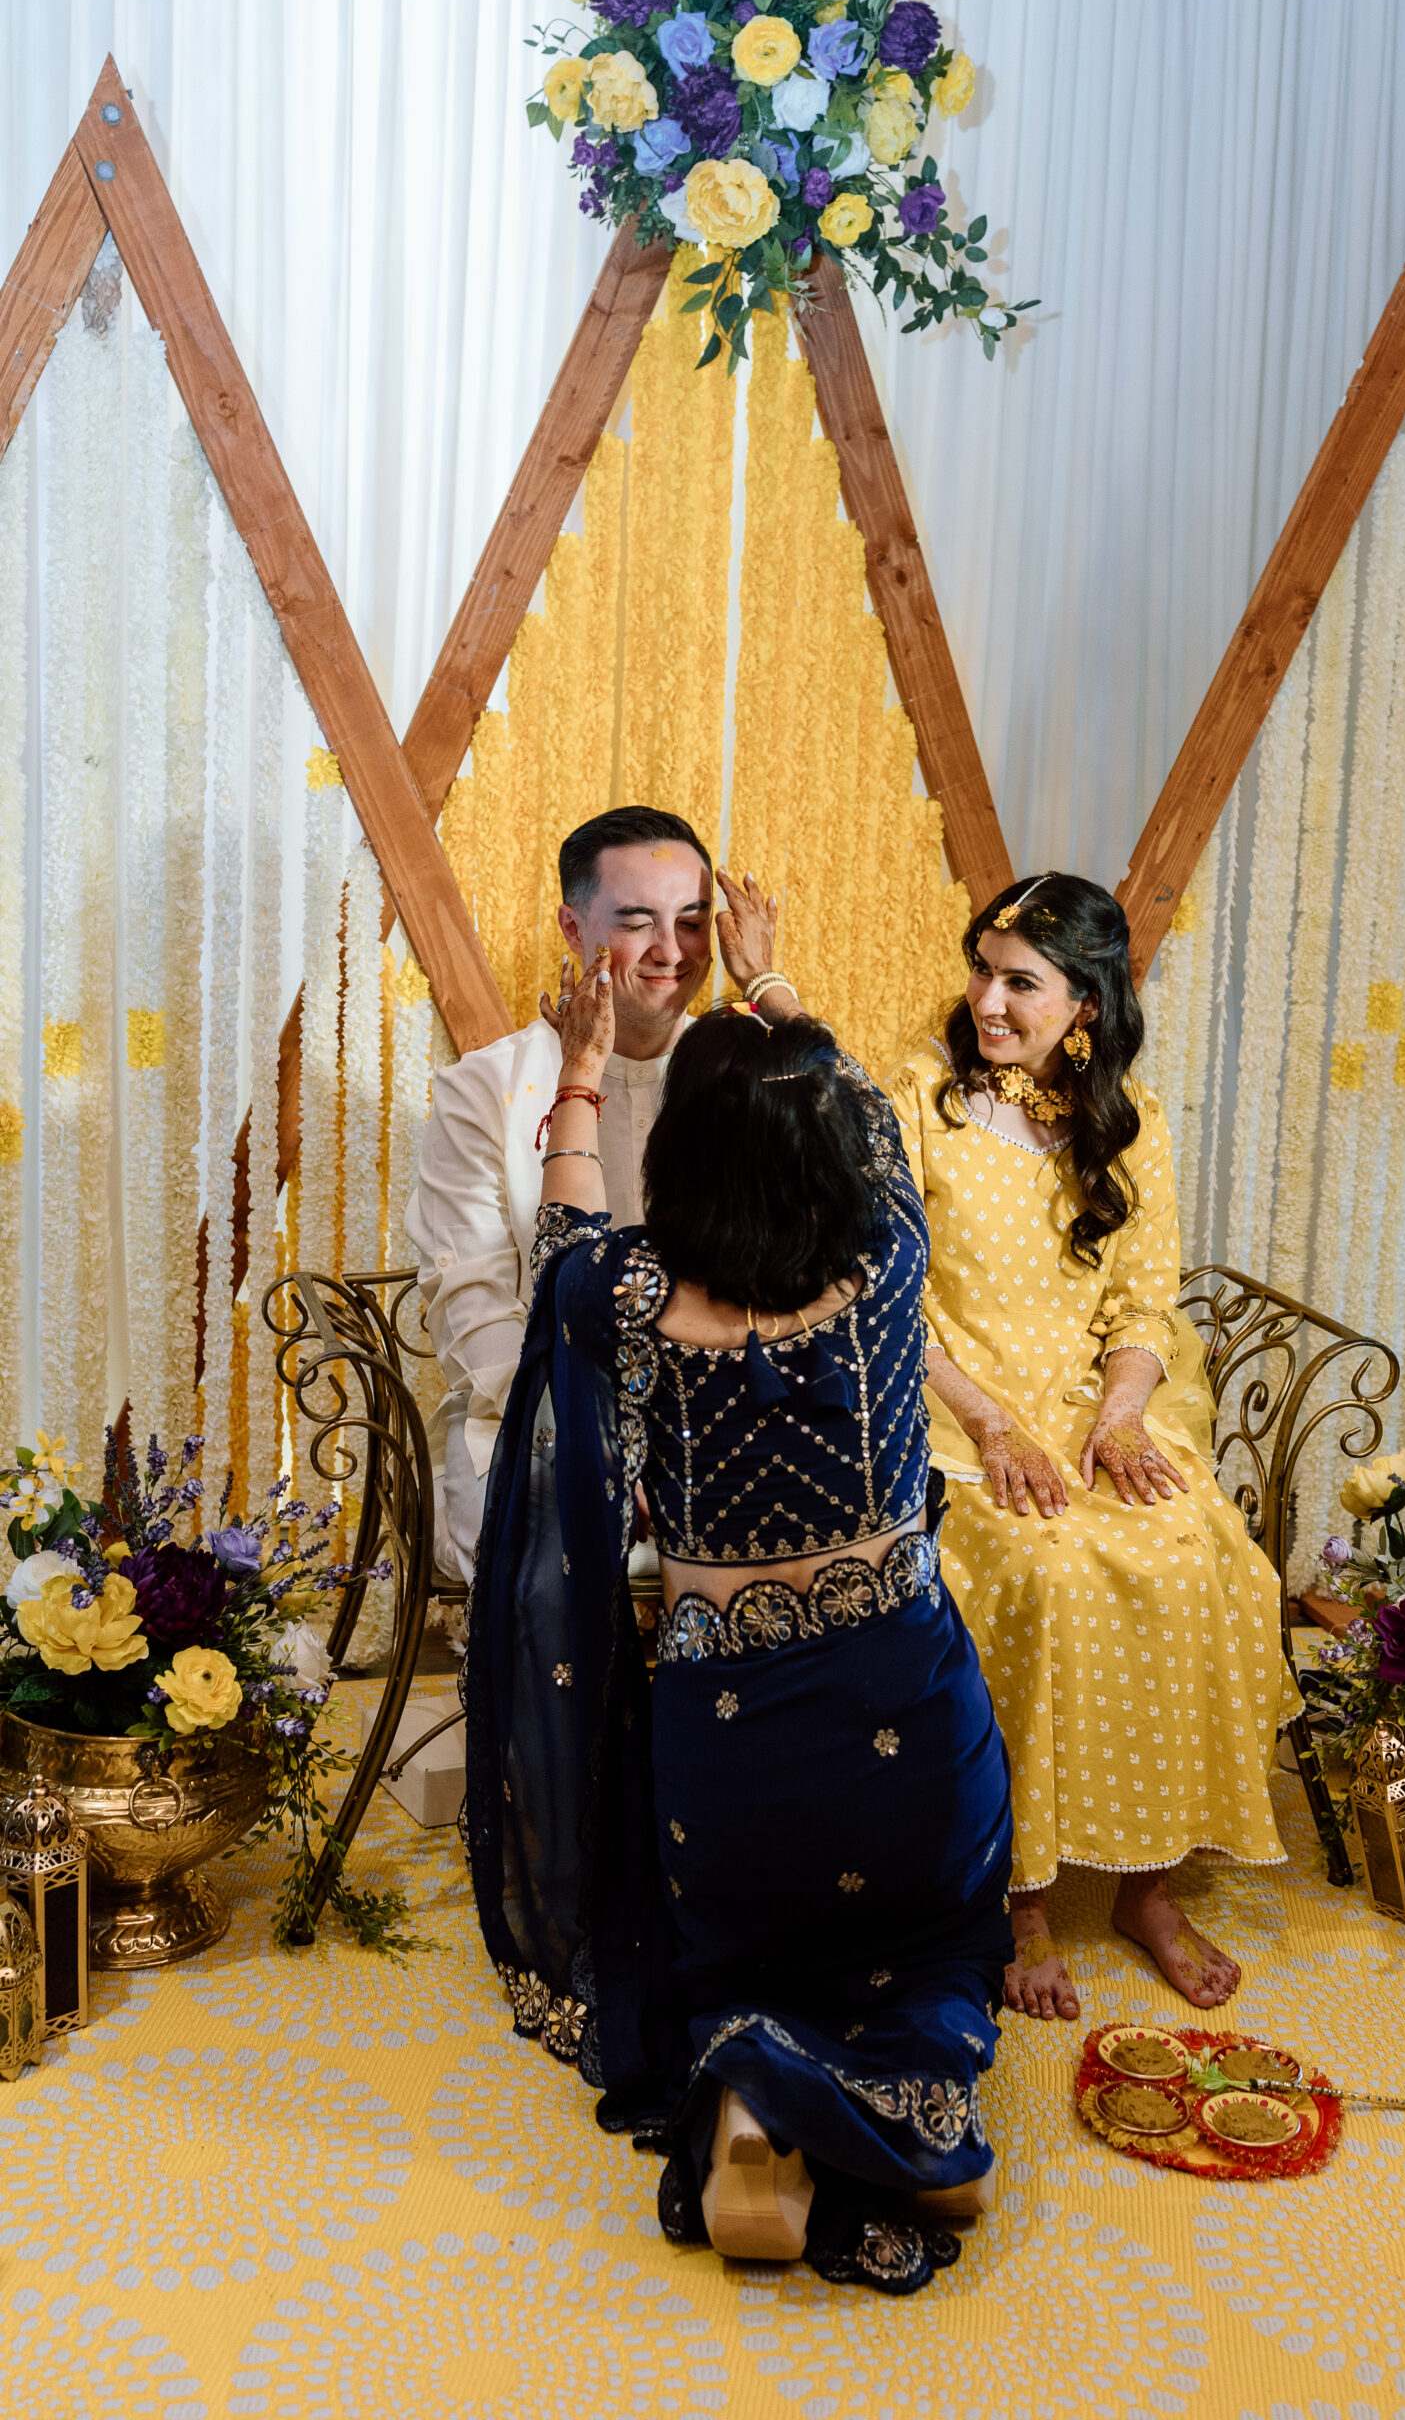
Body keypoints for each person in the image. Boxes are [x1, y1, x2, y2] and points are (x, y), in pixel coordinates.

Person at [463, 874, 1013, 2297]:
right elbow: (862, 1113)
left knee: (743, 1958)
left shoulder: (631, 1294)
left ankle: (752, 2077)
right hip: (909, 1723)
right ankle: (904, 2114)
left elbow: (561, 1233)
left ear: (689, 1156)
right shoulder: (887, 1253)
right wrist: (770, 984)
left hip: (736, 1754)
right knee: (933, 1950)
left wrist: (581, 1071)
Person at [885, 873, 1301, 2024]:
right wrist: (994, 1422)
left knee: (1203, 1557)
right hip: (961, 1406)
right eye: (983, 968)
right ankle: (1018, 1900)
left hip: (1092, 1407)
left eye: (1021, 981)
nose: (988, 999)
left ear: (1086, 1004)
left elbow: (1143, 1306)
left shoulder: (1130, 1120)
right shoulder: (924, 1097)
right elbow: (887, 1297)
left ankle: (1146, 1888)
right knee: (1049, 1574)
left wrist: (1117, 1418)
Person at [405, 806, 713, 1582]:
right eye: (637, 921)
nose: (670, 951)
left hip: (714, 1416)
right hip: (533, 1421)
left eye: (693, 920)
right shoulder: (486, 1088)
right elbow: (473, 1312)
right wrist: (604, 1441)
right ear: (573, 930)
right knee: (570, 1524)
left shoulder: (739, 1077)